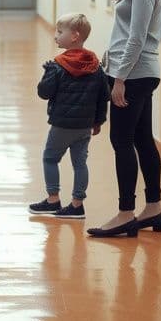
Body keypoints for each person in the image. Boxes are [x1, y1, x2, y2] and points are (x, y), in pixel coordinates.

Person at [88, 0, 161, 238]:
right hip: (145, 71)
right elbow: (132, 35)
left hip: (134, 74)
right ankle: (153, 208)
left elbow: (136, 37)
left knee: (122, 141)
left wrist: (120, 78)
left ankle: (126, 213)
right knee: (142, 139)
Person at [29, 12, 109, 220]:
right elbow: (103, 96)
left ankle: (53, 200)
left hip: (62, 124)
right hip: (84, 127)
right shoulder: (95, 65)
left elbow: (44, 92)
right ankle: (77, 205)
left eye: (59, 31)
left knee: (50, 158)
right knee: (80, 163)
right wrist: (98, 121)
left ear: (74, 36)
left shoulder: (58, 65)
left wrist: (47, 72)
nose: (56, 35)